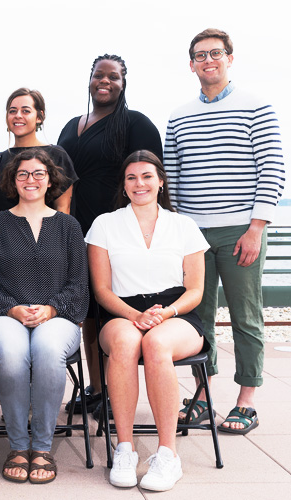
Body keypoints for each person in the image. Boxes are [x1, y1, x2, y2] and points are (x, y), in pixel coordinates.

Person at [165, 28, 285, 435]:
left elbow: (272, 169)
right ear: (191, 64)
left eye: (215, 53)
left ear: (229, 58)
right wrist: (180, 233)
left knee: (245, 317)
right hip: (194, 235)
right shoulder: (178, 116)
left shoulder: (257, 106)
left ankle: (246, 400)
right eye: (200, 55)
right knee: (198, 318)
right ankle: (203, 397)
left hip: (240, 231)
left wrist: (256, 229)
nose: (208, 60)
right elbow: (173, 180)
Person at [86, 150, 209, 491]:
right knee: (126, 342)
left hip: (176, 312)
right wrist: (135, 316)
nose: (139, 183)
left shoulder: (183, 225)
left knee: (156, 343)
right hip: (121, 310)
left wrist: (165, 314)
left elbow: (196, 289)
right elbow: (101, 290)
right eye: (131, 178)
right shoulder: (105, 224)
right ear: (123, 186)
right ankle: (124, 449)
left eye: (146, 176)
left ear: (160, 182)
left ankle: (167, 456)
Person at [0, 148, 89, 484]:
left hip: (57, 317)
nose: (31, 180)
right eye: (23, 174)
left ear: (50, 179)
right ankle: (18, 446)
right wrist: (13, 308)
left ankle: (41, 447)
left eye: (39, 173)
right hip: (3, 316)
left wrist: (51, 308)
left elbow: (78, 285)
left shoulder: (68, 226)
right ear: (13, 180)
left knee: (48, 351)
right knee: (11, 355)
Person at [58, 54, 163, 417]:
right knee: (87, 309)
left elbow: (149, 179)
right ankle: (97, 388)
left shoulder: (136, 123)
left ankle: (119, 386)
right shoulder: (73, 124)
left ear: (123, 82)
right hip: (75, 225)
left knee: (112, 303)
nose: (105, 81)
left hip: (117, 225)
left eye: (113, 76)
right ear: (89, 80)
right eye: (98, 75)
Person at [0, 88, 77, 217]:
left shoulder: (57, 155)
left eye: (26, 111)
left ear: (39, 117)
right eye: (12, 111)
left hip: (45, 235)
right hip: (1, 235)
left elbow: (63, 208)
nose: (18, 115)